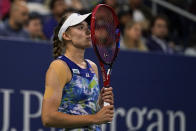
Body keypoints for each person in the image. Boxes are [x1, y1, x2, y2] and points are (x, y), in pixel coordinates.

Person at [41, 12, 114, 131]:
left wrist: (101, 103)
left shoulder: (92, 67)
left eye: (87, 27)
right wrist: (95, 118)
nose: (88, 31)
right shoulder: (59, 67)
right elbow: (47, 117)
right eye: (80, 27)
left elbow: (87, 110)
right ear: (66, 35)